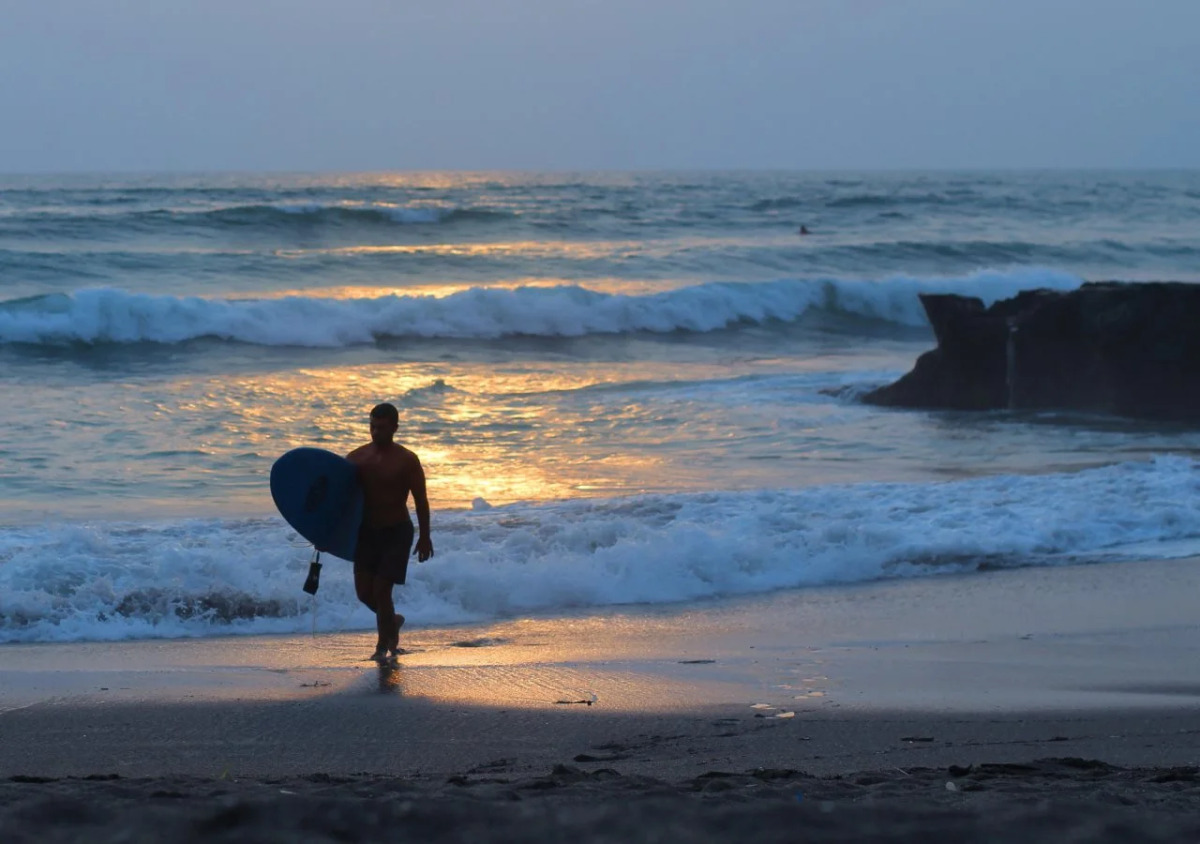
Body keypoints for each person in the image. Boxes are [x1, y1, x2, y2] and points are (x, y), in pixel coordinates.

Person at [346, 402, 433, 662]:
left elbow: (421, 500)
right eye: (372, 427)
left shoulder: (407, 460)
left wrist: (425, 536)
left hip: (396, 532)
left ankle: (382, 646)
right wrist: (324, 534)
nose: (375, 432)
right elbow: (340, 500)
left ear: (395, 427)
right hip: (367, 533)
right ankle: (392, 621)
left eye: (381, 428)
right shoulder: (356, 458)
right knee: (365, 593)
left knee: (382, 590)